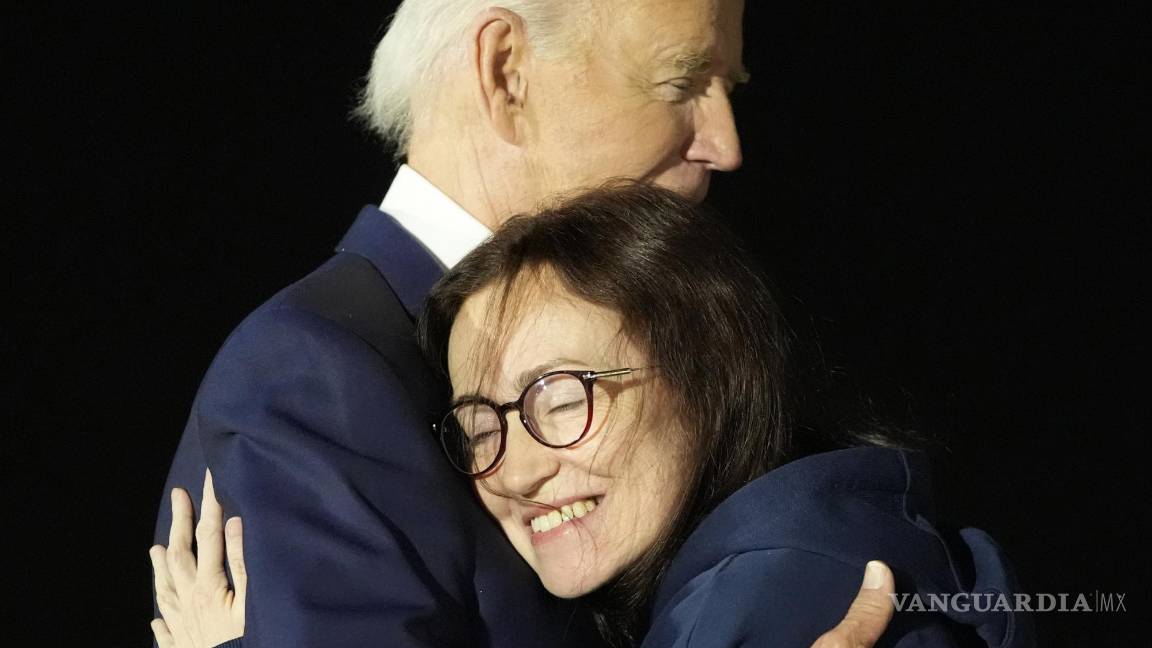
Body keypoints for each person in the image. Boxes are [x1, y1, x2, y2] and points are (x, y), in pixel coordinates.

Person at [152, 0, 894, 646]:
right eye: (680, 81)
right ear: (506, 70)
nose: (724, 145)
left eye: (725, 89)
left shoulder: (671, 335)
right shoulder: (311, 384)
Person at [152, 184, 1033, 647]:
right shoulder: (804, 551)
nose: (516, 469)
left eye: (562, 399)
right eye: (481, 428)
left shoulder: (769, 599)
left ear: (706, 367)